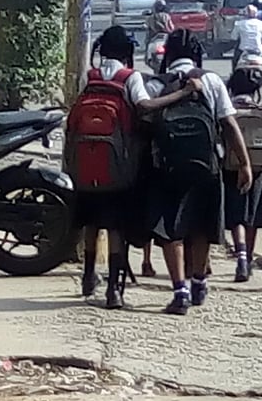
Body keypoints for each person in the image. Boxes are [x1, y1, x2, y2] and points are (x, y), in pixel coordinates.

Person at [74, 26, 195, 309]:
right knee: (116, 226)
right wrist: (182, 94)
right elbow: (144, 106)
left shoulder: (89, 77)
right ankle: (114, 291)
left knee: (91, 222)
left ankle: (89, 276)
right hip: (119, 166)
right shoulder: (130, 78)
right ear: (126, 52)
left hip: (87, 164)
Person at [145, 29, 254, 315]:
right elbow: (229, 124)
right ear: (196, 53)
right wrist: (244, 164)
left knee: (171, 229)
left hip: (168, 167)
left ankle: (179, 290)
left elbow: (145, 124)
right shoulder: (212, 80)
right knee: (202, 225)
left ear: (168, 53)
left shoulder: (159, 84)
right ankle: (199, 283)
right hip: (208, 165)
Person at [224, 60, 262, 282]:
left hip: (231, 165)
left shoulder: (228, 110)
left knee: (236, 214)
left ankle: (241, 256)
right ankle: (249, 258)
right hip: (258, 167)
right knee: (253, 214)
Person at [230, 4, 262, 71]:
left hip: (243, 51)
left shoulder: (239, 24)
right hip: (258, 51)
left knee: (235, 63)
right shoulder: (261, 24)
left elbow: (233, 37)